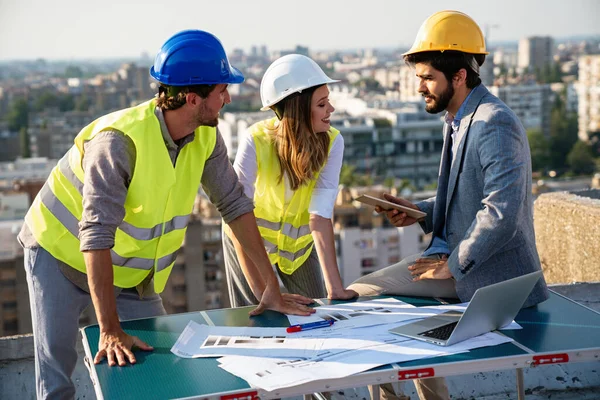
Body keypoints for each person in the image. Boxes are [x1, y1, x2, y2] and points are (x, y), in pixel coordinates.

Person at [19, 30, 315, 400]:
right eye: (222, 90)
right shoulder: (118, 143)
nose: (228, 97)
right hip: (58, 256)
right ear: (193, 98)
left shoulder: (207, 138)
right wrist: (109, 328)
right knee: (58, 376)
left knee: (160, 368)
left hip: (130, 274)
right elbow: (94, 236)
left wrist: (271, 289)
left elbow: (236, 207)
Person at [347, 11, 549, 400]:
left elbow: (501, 213)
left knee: (360, 297)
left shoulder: (493, 122)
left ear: (459, 76)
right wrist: (419, 211)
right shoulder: (460, 118)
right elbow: (465, 194)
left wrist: (453, 264)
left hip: (488, 275)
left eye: (427, 78)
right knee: (378, 307)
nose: (419, 87)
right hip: (452, 259)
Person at [223, 54, 357, 307]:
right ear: (299, 109)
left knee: (316, 313)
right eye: (321, 104)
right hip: (249, 242)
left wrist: (335, 288)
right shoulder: (255, 140)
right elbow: (236, 218)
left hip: (299, 248)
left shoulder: (333, 142)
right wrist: (266, 294)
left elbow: (320, 217)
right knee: (258, 314)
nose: (331, 110)